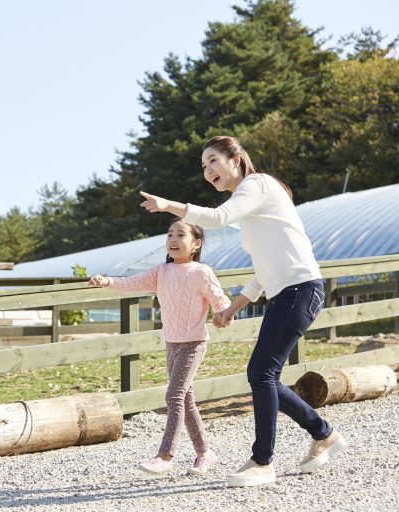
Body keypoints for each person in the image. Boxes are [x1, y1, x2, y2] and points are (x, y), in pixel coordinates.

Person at [138, 135, 347, 487]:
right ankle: (323, 433)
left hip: (301, 290)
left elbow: (217, 218)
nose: (208, 171)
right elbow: (264, 273)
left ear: (235, 159)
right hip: (287, 293)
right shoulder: (250, 207)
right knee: (265, 375)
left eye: (213, 162)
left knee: (260, 373)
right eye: (203, 167)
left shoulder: (257, 184)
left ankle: (263, 461)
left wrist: (168, 205)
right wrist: (233, 306)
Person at [89, 217, 230, 476]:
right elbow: (132, 282)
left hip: (194, 343)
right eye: (169, 235)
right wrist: (107, 281)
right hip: (171, 343)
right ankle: (205, 453)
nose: (173, 240)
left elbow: (220, 300)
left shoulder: (202, 272)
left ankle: (165, 455)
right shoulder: (161, 272)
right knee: (186, 401)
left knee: (174, 395)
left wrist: (223, 314)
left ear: (196, 244)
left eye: (180, 235)